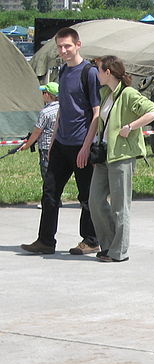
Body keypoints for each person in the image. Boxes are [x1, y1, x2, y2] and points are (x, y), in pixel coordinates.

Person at [20, 27, 100, 256]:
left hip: (81, 145)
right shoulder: (63, 72)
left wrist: (86, 146)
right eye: (60, 46)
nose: (63, 50)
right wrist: (53, 138)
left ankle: (91, 239)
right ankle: (45, 240)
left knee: (86, 196)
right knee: (50, 192)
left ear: (78, 45)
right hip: (61, 144)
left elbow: (96, 113)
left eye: (67, 46)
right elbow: (62, 110)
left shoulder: (89, 73)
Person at [87, 56, 154, 263]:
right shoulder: (105, 94)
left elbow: (152, 112)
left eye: (99, 70)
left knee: (120, 206)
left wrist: (131, 127)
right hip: (105, 155)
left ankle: (119, 252)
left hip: (122, 156)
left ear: (108, 72)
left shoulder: (127, 94)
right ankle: (108, 244)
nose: (97, 74)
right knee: (95, 201)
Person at [15, 82, 59, 182]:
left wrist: (26, 145)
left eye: (43, 93)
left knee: (47, 174)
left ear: (47, 95)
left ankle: (49, 196)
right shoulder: (63, 108)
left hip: (46, 147)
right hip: (59, 146)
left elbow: (37, 132)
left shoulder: (45, 112)